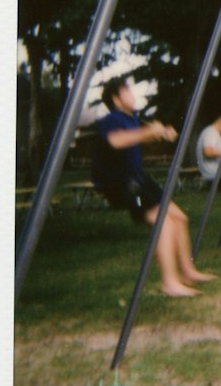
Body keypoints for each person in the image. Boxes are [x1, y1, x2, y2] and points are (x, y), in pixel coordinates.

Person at [91, 76, 214, 297]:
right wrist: (149, 132)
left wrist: (162, 133)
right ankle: (170, 283)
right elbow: (117, 141)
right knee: (164, 224)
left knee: (180, 218)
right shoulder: (111, 120)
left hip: (139, 179)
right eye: (127, 90)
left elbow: (139, 137)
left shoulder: (132, 118)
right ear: (116, 99)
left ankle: (188, 272)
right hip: (121, 184)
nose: (132, 94)